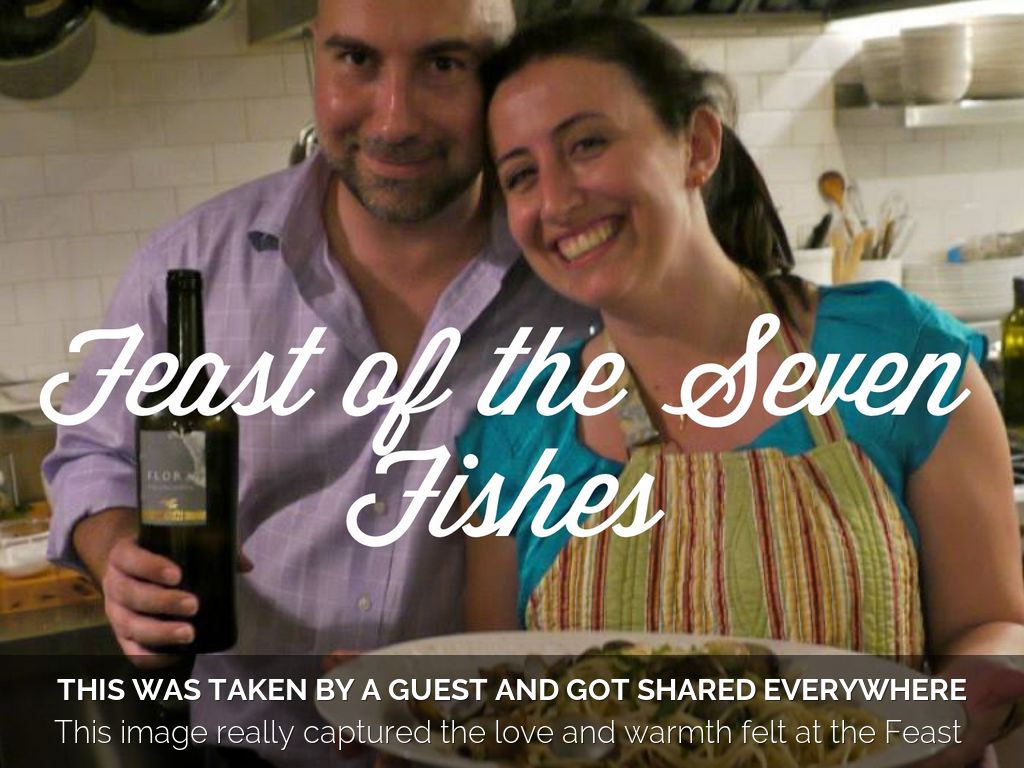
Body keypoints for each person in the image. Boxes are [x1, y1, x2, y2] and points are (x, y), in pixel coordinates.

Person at [458, 14, 1024, 767]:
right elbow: (500, 702)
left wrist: (961, 704)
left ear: (697, 146)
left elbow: (990, 625)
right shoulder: (519, 430)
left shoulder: (902, 355)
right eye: (520, 175)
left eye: (587, 143)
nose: (556, 201)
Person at [42, 1, 593, 766]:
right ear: (316, 55)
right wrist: (118, 551)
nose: (395, 120)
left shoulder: (579, 281)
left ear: (503, 73)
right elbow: (93, 454)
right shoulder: (193, 264)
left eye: (443, 64)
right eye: (356, 60)